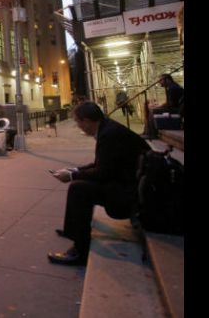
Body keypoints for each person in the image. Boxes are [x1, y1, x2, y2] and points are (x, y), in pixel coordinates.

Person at [47, 101, 150, 265]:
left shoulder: (109, 135)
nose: (78, 126)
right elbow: (101, 165)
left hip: (129, 192)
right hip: (127, 182)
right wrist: (75, 170)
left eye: (78, 122)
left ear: (87, 121)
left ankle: (80, 251)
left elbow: (102, 173)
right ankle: (73, 231)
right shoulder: (108, 129)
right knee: (80, 185)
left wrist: (72, 176)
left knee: (78, 189)